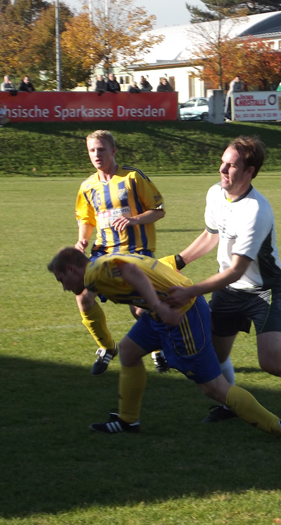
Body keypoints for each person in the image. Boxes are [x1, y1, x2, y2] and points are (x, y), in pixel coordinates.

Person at [48, 248, 281, 439]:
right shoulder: (100, 263)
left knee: (213, 388)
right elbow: (134, 275)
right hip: (162, 311)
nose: (63, 288)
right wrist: (150, 305)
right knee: (128, 351)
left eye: (61, 280)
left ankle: (280, 427)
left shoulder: (94, 272)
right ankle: (128, 421)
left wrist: (159, 306)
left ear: (72, 270)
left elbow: (131, 271)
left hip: (181, 312)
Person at [166, 136, 281, 424]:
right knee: (214, 360)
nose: (222, 170)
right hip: (228, 290)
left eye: (231, 166)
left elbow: (235, 269)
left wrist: (190, 291)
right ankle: (233, 404)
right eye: (222, 162)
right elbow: (211, 235)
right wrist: (177, 262)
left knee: (270, 362)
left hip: (263, 292)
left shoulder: (256, 211)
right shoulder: (215, 194)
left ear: (250, 172)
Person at [74, 130, 169, 375]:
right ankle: (106, 348)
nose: (97, 154)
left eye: (101, 149)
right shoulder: (87, 186)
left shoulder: (132, 177)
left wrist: (134, 219)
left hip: (137, 251)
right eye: (92, 150)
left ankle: (158, 349)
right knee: (83, 297)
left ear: (113, 151)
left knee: (139, 309)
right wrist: (82, 240)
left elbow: (158, 210)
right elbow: (86, 218)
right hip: (103, 252)